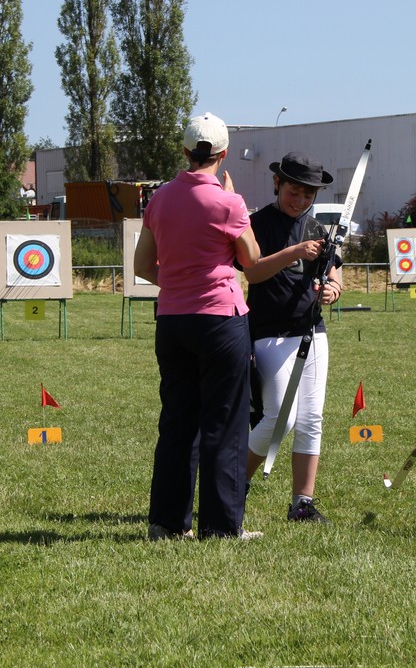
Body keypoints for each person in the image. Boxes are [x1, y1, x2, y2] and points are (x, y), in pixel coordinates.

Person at [133, 112, 262, 541]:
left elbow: (141, 266)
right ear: (223, 154)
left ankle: (166, 524)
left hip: (171, 321)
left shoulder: (159, 199)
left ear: (185, 151)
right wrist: (233, 199)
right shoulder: (229, 203)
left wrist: (178, 282)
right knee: (224, 423)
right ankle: (222, 527)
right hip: (220, 322)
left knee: (176, 422)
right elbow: (252, 261)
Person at [241, 152, 344, 523]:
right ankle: (237, 482)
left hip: (312, 333)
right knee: (278, 418)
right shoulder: (256, 224)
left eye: (307, 195)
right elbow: (252, 273)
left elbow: (334, 271)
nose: (300, 201)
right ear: (277, 184)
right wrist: (294, 253)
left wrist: (333, 288)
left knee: (311, 417)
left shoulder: (317, 228)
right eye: (293, 192)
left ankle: (302, 503)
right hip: (269, 335)